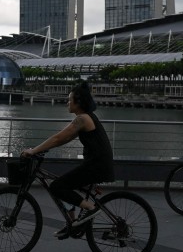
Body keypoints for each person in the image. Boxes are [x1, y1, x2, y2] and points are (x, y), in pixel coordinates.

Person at [22, 81, 114, 238]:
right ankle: (72, 224)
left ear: (78, 102)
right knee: (64, 186)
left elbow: (58, 138)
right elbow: (66, 138)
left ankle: (91, 208)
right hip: (97, 163)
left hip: (96, 165)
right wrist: (43, 148)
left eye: (69, 100)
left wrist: (34, 150)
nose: (67, 102)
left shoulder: (83, 119)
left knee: (57, 186)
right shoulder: (85, 118)